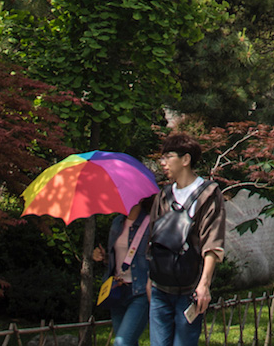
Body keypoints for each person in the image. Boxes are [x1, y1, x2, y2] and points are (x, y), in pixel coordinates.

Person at [148, 132, 226, 346]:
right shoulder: (163, 195)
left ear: (186, 159)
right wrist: (149, 280)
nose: (163, 163)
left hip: (190, 288)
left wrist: (204, 285)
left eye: (168, 157)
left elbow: (212, 242)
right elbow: (153, 238)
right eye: (161, 158)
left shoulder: (208, 194)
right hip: (159, 287)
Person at [94, 197, 152, 346]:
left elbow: (157, 258)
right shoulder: (117, 223)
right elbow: (116, 259)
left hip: (139, 292)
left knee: (121, 343)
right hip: (116, 292)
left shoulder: (151, 223)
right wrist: (102, 257)